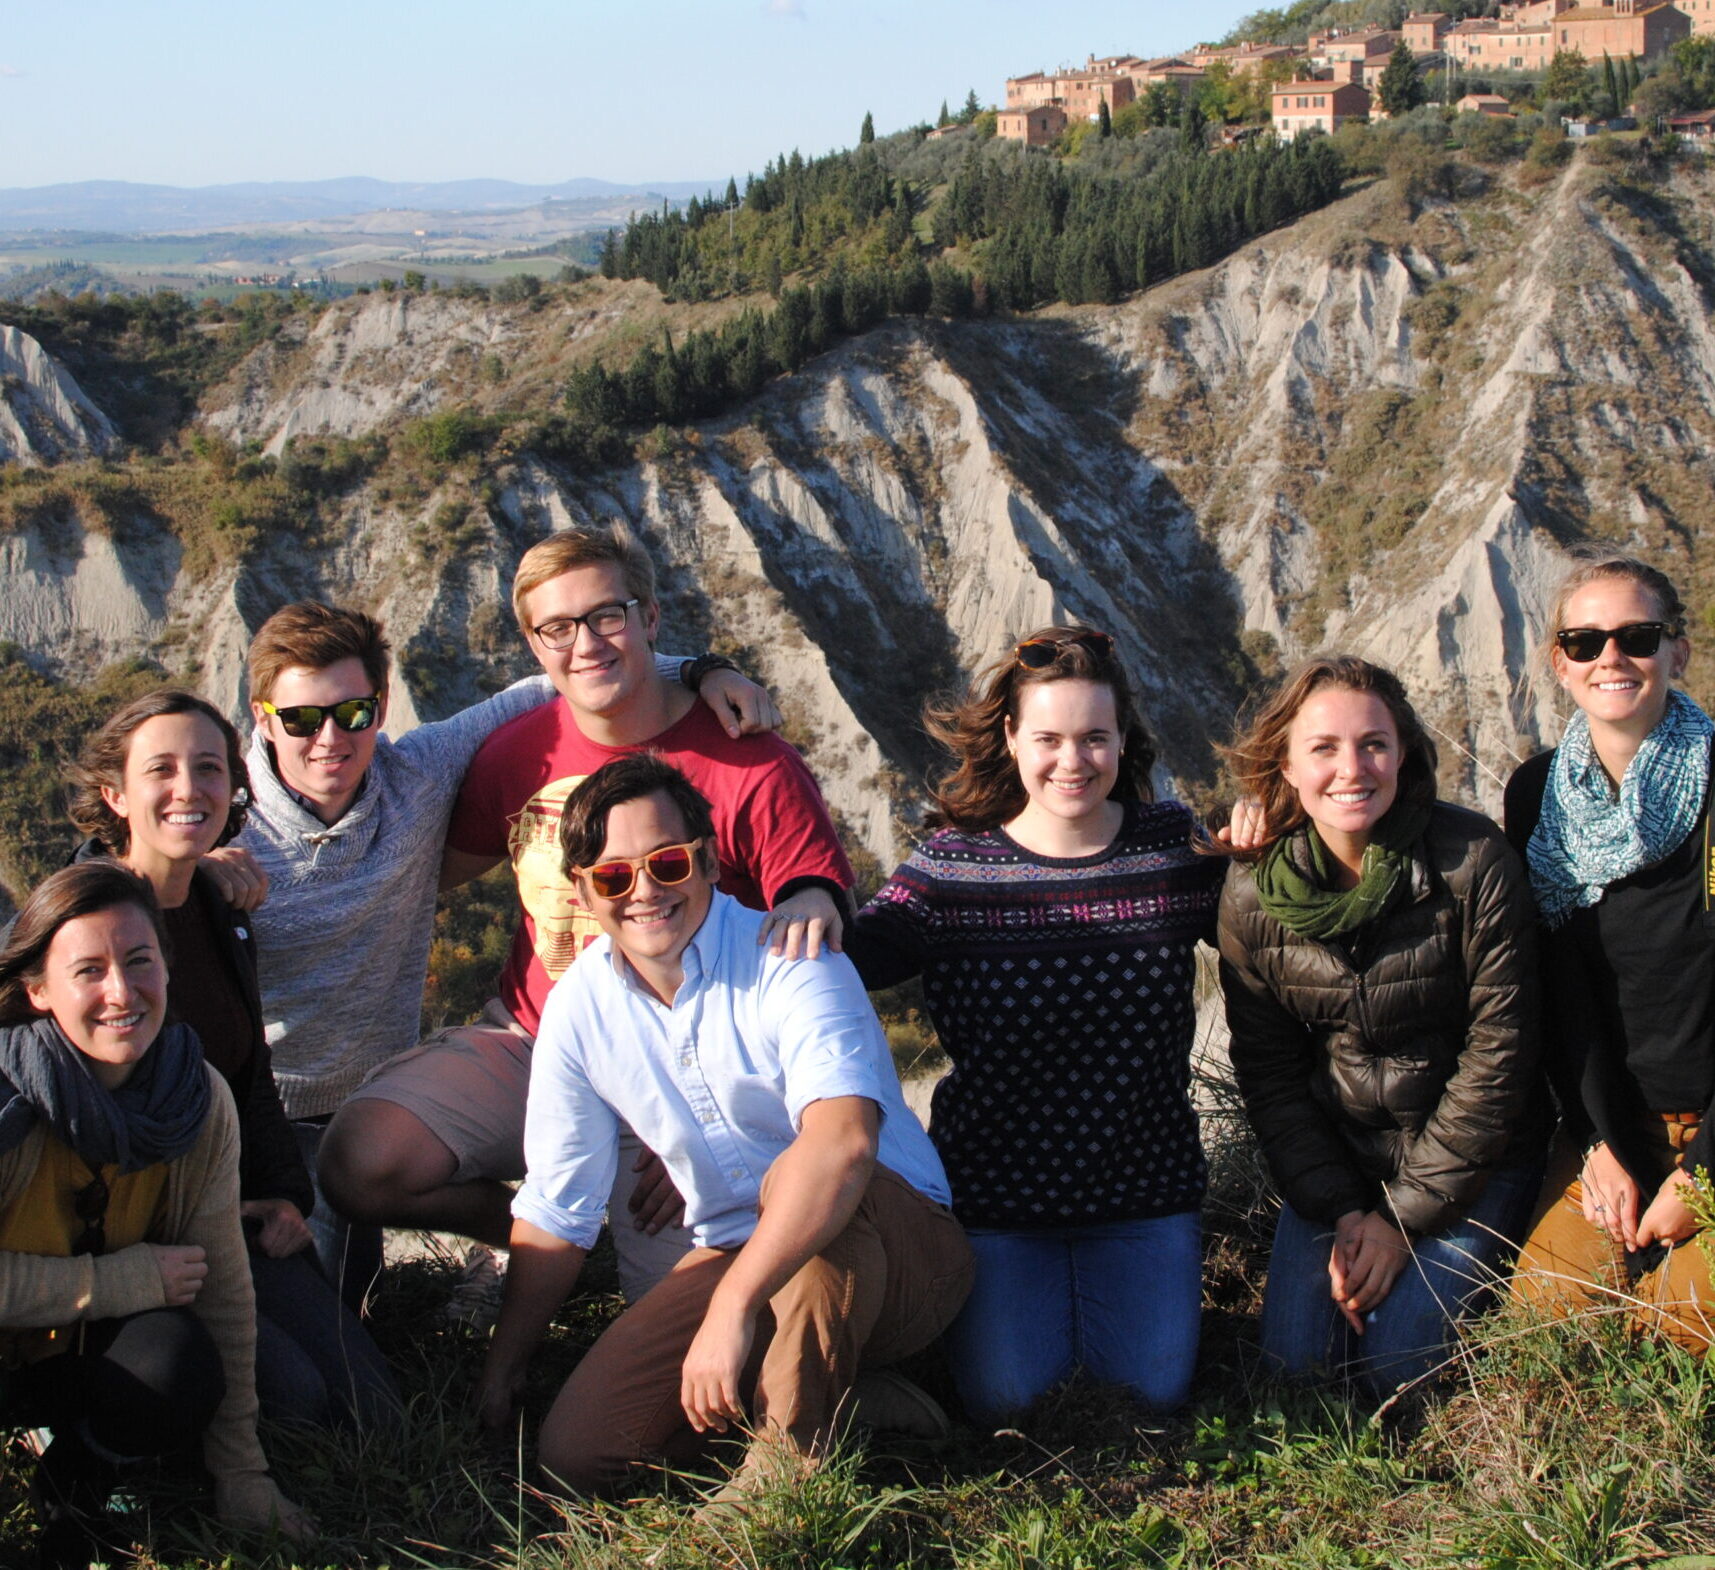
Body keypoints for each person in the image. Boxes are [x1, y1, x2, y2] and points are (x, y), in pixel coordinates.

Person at [319, 522, 854, 1300]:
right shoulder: (517, 755)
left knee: (679, 1322)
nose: (586, 644)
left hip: (689, 1067)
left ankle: (620, 1253)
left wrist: (732, 1130)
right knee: (363, 1161)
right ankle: (544, 1245)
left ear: (649, 618)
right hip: (538, 1042)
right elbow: (424, 877)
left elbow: (812, 920)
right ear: (533, 647)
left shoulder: (747, 757)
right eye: (557, 628)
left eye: (607, 615)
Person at [202, 597, 774, 1304]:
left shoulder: (414, 776)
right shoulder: (220, 820)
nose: (329, 740)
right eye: (300, 719)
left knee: (345, 1326)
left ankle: (542, 1250)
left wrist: (702, 670)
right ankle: (531, 1242)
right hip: (254, 1121)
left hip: (369, 1102)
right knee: (314, 1353)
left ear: (380, 709)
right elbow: (114, 885)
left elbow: (561, 677)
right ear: (263, 718)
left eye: (352, 714)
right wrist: (186, 872)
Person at [474, 755, 971, 1495]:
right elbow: (556, 1203)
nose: (644, 892)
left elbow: (843, 1146)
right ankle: (849, 1402)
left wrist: (732, 1306)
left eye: (666, 863)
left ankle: (783, 1482)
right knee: (579, 1456)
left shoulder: (792, 956)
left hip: (904, 1253)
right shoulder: (580, 1010)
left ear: (707, 860)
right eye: (613, 877)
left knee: (806, 1183)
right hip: (739, 1252)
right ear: (582, 892)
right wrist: (503, 1366)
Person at [841, 626, 1224, 1420]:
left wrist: (1268, 855)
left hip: (1144, 1194)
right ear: (1010, 738)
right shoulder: (953, 866)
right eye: (1048, 737)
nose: (1072, 760)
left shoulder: (1171, 849)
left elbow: (1277, 936)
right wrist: (792, 892)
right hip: (997, 1203)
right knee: (1008, 1405)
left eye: (1094, 737)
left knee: (1152, 1397)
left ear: (1123, 740)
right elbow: (842, 962)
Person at [66, 688, 397, 1430]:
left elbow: (248, 1079)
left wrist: (282, 1195)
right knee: (299, 1408)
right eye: (163, 770)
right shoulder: (83, 934)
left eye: (210, 769)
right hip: (124, 1248)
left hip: (227, 1225)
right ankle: (84, 1415)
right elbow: (73, 1127)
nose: (190, 790)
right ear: (115, 793)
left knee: (372, 1414)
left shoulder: (218, 915)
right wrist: (199, 1217)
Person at [1216, 655, 1545, 1397]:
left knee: (1397, 1370)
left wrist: (1400, 1222)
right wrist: (1342, 1208)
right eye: (1323, 749)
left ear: (1403, 753)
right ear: (1286, 766)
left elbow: (1500, 1056)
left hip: (1474, 1161)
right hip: (1346, 1165)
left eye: (1372, 744)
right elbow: (1268, 1075)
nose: (1351, 769)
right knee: (1297, 1372)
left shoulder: (1470, 863)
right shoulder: (1253, 891)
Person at [0, 863, 310, 1568]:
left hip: (68, 1354)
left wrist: (242, 1476)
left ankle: (78, 1478)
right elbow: (140, 1282)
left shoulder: (194, 1104)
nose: (121, 991)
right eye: (88, 970)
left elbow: (224, 1292)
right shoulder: (6, 1104)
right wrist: (120, 1281)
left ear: (168, 970)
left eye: (140, 961)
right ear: (38, 990)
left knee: (176, 1361)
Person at [1507, 553, 1715, 1350]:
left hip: (1709, 1125)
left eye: (1636, 635)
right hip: (1609, 1123)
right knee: (1547, 1326)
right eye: (1586, 640)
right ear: (1560, 663)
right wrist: (1596, 1144)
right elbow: (1557, 988)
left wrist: (1697, 1177)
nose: (1611, 658)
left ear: (1675, 652)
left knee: (1678, 1331)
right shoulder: (1537, 796)